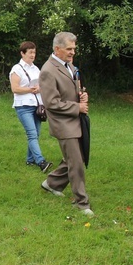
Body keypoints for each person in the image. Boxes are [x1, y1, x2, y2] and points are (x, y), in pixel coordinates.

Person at [39, 32, 93, 216]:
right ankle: (82, 203)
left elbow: (74, 87)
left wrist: (82, 94)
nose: (73, 53)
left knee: (77, 157)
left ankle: (52, 183)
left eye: (74, 49)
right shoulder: (48, 70)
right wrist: (77, 107)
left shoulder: (69, 65)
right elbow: (51, 103)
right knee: (76, 163)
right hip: (63, 123)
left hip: (76, 120)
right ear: (57, 49)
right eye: (69, 49)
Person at [10, 41, 52, 173]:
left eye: (34, 52)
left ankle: (30, 159)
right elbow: (15, 88)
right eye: (30, 52)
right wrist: (30, 89)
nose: (33, 55)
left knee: (36, 133)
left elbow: (43, 84)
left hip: (37, 105)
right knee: (32, 134)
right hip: (23, 106)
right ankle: (41, 161)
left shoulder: (36, 69)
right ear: (22, 53)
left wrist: (40, 88)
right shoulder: (16, 69)